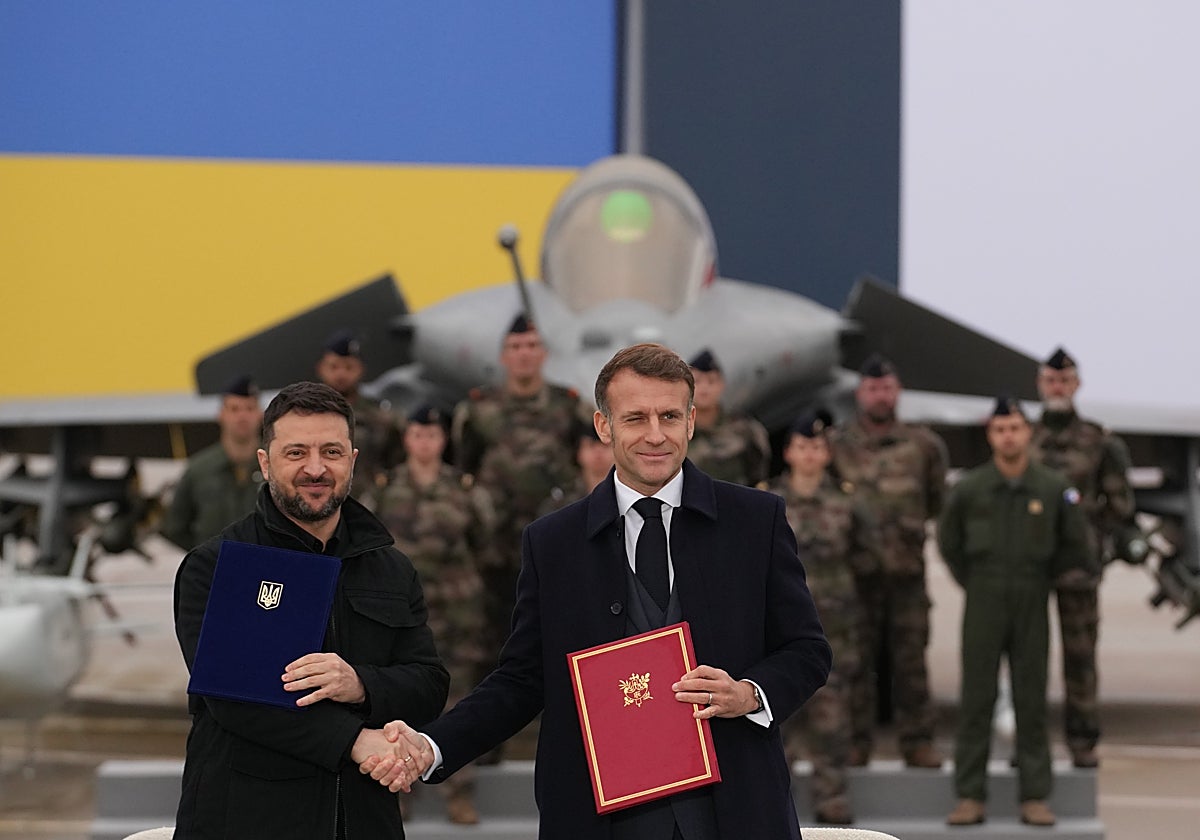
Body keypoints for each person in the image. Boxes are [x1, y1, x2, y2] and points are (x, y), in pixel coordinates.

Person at [360, 342, 832, 839]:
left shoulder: (756, 521)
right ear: (604, 426)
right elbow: (521, 680)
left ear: (691, 421)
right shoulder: (552, 543)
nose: (656, 435)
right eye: (636, 418)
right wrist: (433, 746)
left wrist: (749, 694)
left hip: (736, 811)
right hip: (596, 818)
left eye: (670, 416)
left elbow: (807, 650)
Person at [173, 381, 449, 839]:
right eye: (296, 453)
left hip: (364, 821)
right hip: (247, 821)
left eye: (332, 452)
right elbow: (234, 699)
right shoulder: (218, 565)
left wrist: (360, 683)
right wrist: (355, 741)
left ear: (352, 460)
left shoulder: (390, 567)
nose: (316, 468)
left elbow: (429, 683)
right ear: (266, 462)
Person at [939, 397, 1092, 827]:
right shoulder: (970, 489)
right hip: (984, 597)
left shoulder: (1051, 488)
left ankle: (1035, 795)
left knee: (1031, 697)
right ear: (990, 435)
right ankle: (970, 794)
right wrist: (976, 581)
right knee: (976, 697)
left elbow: (1074, 544)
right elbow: (949, 544)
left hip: (1032, 595)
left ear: (1028, 433)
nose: (1008, 436)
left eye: (1015, 428)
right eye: (1000, 429)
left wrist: (1040, 577)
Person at [450, 313, 580, 739]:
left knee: (557, 630)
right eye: (516, 348)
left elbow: (583, 459)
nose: (524, 355)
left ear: (543, 354)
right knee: (493, 637)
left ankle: (559, 726)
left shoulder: (567, 405)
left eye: (531, 346)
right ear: (504, 356)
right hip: (495, 547)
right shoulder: (478, 409)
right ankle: (491, 736)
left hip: (553, 545)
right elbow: (464, 469)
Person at [372, 403, 494, 825]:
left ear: (443, 440)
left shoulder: (464, 489)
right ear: (406, 439)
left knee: (459, 702)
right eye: (417, 434)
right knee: (397, 701)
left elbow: (485, 544)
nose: (424, 442)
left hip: (456, 613)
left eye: (432, 435)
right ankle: (399, 789)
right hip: (400, 616)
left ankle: (459, 792)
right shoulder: (384, 489)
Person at [829, 353, 948, 768]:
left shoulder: (923, 446)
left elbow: (936, 501)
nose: (880, 396)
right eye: (872, 388)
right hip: (856, 576)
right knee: (855, 661)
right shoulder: (837, 445)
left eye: (887, 388)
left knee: (910, 661)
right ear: (860, 393)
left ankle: (918, 741)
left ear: (898, 392)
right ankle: (856, 742)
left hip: (906, 575)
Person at [768, 409, 881, 825]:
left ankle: (831, 797)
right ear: (788, 453)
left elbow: (869, 560)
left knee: (832, 718)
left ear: (827, 453)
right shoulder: (767, 502)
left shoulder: (847, 502)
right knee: (779, 717)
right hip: (779, 632)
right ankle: (773, 801)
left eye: (817, 447)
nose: (810, 455)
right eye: (802, 447)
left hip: (835, 629)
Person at [1031, 346, 1139, 769]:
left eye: (1064, 381)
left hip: (1078, 566)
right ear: (1040, 385)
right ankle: (1030, 742)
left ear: (1076, 385)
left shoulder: (1099, 441)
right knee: (1027, 655)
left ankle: (1082, 739)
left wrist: (1089, 534)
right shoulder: (1024, 438)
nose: (1057, 388)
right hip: (1030, 566)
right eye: (1051, 381)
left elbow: (1120, 504)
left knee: (1080, 655)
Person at [161, 374, 264, 550]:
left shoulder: (276, 466)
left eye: (249, 408)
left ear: (260, 414)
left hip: (265, 563)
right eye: (234, 409)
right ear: (221, 414)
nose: (242, 416)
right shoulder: (199, 470)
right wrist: (205, 555)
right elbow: (175, 527)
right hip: (214, 564)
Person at [316, 329, 402, 499]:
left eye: (349, 367)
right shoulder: (305, 415)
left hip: (368, 502)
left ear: (361, 369)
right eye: (334, 367)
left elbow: (398, 464)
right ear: (321, 369)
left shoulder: (382, 418)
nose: (341, 374)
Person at [684, 349, 771, 487]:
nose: (704, 388)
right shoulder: (679, 430)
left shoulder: (744, 428)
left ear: (721, 385)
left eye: (711, 381)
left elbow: (759, 472)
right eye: (698, 381)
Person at [539, 416, 616, 516]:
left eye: (605, 445)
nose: (598, 451)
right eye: (591, 445)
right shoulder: (561, 502)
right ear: (578, 453)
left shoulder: (628, 496)